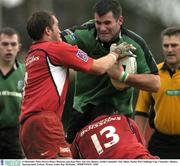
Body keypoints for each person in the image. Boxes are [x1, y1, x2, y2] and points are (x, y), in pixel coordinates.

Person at [19, 11, 133, 159]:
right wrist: (116, 53)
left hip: (26, 127)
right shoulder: (55, 48)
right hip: (45, 122)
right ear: (48, 31)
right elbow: (98, 68)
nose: (60, 31)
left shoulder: (32, 54)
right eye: (57, 26)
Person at [61, 0, 160, 144]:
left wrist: (123, 76)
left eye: (107, 23)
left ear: (120, 21)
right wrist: (74, 60)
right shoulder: (84, 33)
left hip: (118, 110)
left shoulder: (134, 43)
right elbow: (54, 43)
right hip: (83, 107)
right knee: (72, 153)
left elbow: (155, 83)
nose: (102, 28)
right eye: (98, 22)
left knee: (115, 157)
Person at [135, 26, 180, 159]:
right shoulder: (153, 74)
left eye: (174, 45)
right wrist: (138, 144)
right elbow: (141, 111)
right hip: (160, 143)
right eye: (166, 46)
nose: (170, 50)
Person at [70, 103, 159, 159]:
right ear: (113, 113)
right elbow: (143, 145)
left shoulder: (81, 134)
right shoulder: (123, 119)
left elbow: (71, 156)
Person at [0, 27, 25, 159]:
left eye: (13, 44)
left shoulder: (26, 73)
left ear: (19, 47)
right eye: (4, 44)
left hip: (15, 136)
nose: (9, 48)